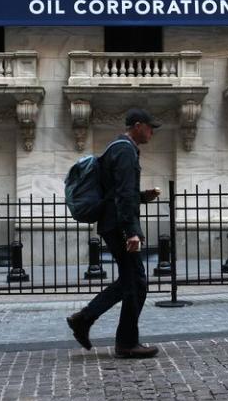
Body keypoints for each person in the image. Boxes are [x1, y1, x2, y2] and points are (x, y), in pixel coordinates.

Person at [67, 107, 162, 358]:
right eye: (150, 126)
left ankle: (84, 319)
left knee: (130, 281)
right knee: (137, 282)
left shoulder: (118, 148)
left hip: (114, 222)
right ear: (138, 125)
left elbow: (119, 193)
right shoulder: (124, 150)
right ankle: (126, 342)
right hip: (119, 226)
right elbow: (121, 194)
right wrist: (132, 231)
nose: (152, 132)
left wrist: (142, 196)